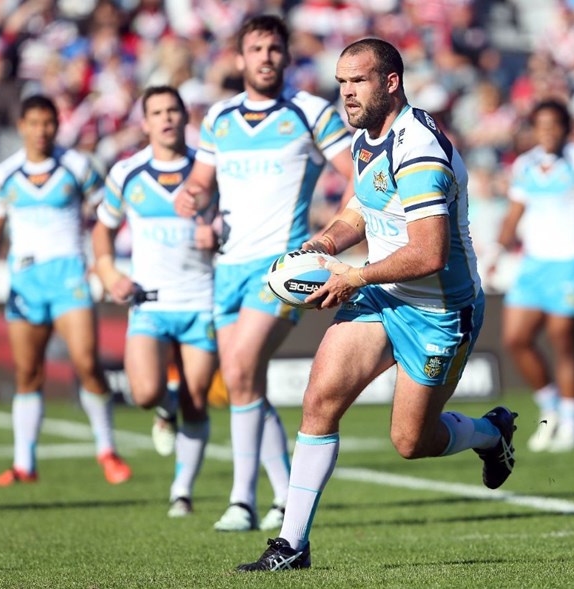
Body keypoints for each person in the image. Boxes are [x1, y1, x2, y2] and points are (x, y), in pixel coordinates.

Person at [235, 37, 517, 573]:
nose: (346, 93)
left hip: (438, 312)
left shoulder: (419, 152)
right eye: (341, 83)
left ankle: (490, 432)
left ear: (391, 82)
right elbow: (360, 210)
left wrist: (353, 276)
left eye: (357, 81)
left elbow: (429, 252)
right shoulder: (366, 136)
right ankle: (292, 546)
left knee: (412, 441)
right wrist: (320, 247)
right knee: (319, 401)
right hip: (382, 293)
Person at [173, 14, 354, 532]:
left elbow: (356, 179)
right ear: (240, 58)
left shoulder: (312, 112)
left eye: (275, 49)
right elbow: (203, 184)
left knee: (241, 369)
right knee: (241, 383)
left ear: (286, 57)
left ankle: (241, 501)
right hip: (227, 265)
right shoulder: (219, 119)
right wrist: (195, 201)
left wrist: (327, 241)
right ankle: (281, 495)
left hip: (278, 268)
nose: (267, 57)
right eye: (257, 49)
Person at [0, 95, 132, 486]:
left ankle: (107, 450)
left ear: (57, 125)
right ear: (22, 126)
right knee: (27, 372)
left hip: (69, 276)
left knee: (86, 362)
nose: (41, 131)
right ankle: (24, 464)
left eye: (48, 123)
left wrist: (100, 259)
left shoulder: (78, 167)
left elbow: (106, 217)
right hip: (25, 282)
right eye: (34, 123)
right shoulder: (4, 175)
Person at [92, 86, 217, 517]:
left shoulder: (208, 168)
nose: (166, 119)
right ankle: (163, 411)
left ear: (185, 117)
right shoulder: (126, 172)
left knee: (197, 399)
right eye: (156, 112)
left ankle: (181, 491)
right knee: (145, 392)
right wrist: (109, 273)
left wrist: (217, 232)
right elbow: (102, 230)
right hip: (149, 302)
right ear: (144, 123)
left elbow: (232, 219)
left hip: (200, 300)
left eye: (173, 111)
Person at [489, 100, 574, 453]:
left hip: (570, 264)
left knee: (563, 342)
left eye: (555, 125)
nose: (548, 132)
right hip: (533, 266)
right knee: (515, 339)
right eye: (541, 125)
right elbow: (514, 215)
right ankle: (550, 410)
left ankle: (572, 424)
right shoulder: (525, 166)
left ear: (566, 128)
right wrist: (496, 252)